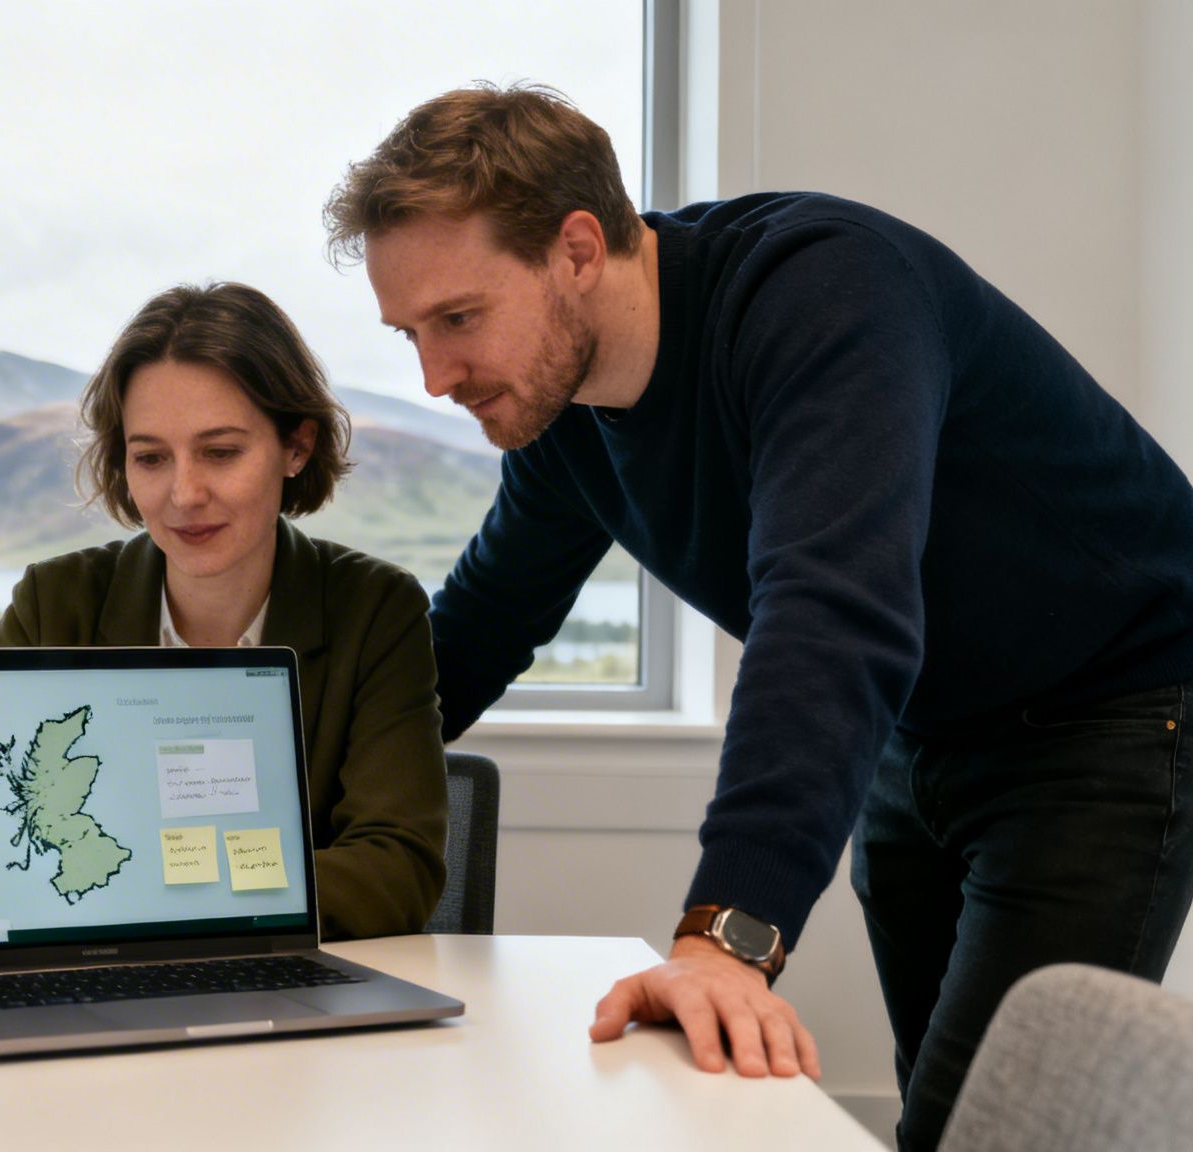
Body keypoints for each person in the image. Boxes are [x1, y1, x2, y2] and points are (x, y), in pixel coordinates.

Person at [323, 82, 1193, 1150]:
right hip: (919, 728)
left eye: (457, 319)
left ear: (578, 249)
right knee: (945, 1100)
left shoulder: (819, 292)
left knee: (994, 1134)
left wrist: (719, 941)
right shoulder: (563, 418)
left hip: (1112, 708)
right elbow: (476, 629)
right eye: (409, 333)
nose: (434, 376)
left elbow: (829, 608)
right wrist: (281, 815)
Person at [0, 281, 448, 941]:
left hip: (287, 998)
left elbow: (398, 872)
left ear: (297, 447)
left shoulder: (376, 611)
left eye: (221, 452)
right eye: (151, 458)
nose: (184, 494)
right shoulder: (54, 605)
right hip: (90, 991)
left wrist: (153, 890)